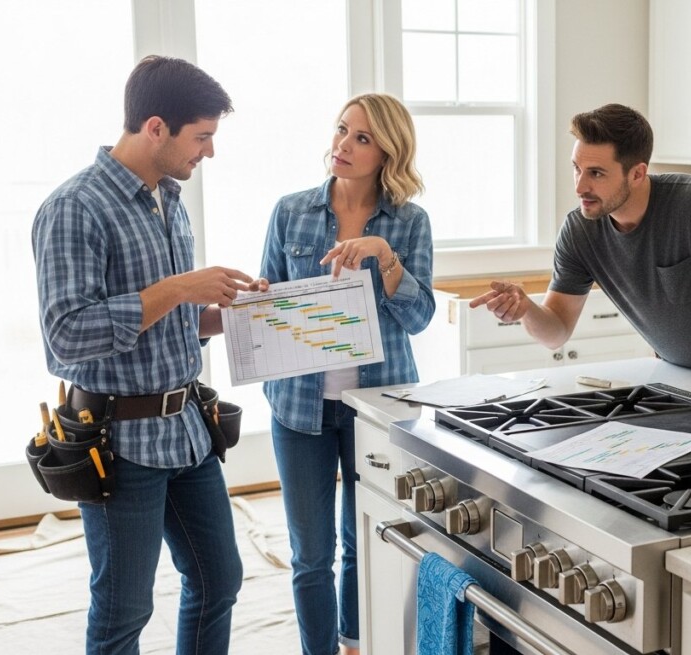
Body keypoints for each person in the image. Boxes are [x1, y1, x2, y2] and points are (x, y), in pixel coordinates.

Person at [32, 55, 265, 654]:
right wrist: (181, 288)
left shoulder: (169, 197)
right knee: (123, 611)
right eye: (202, 137)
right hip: (120, 443)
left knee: (220, 579)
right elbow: (66, 336)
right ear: (155, 127)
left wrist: (235, 316)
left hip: (187, 430)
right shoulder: (74, 208)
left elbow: (171, 324)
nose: (209, 153)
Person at [471, 103, 691, 405]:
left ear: (637, 173)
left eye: (596, 174)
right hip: (677, 377)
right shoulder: (579, 231)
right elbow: (556, 331)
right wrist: (526, 308)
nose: (579, 186)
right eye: (576, 168)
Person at [259, 92, 435, 655]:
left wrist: (385, 259)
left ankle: (356, 642)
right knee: (310, 552)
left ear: (388, 151)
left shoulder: (408, 223)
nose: (344, 145)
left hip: (377, 408)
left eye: (362, 137)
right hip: (297, 406)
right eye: (341, 130)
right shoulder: (291, 210)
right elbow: (265, 295)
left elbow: (419, 316)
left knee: (363, 538)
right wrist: (262, 303)